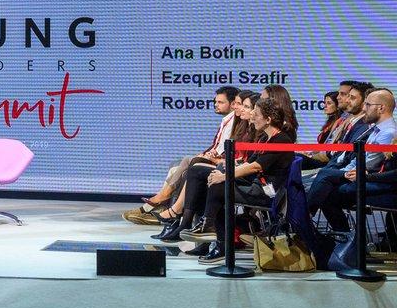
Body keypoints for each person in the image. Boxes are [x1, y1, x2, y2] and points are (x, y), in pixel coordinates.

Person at [185, 97, 296, 264]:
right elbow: (249, 163)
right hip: (255, 184)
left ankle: (212, 231)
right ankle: (201, 224)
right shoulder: (264, 138)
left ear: (268, 119)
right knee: (199, 171)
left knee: (220, 185)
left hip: (265, 193)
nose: (252, 116)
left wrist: (224, 175)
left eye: (256, 114)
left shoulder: (280, 140)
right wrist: (221, 170)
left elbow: (255, 167)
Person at [123, 85, 238, 226]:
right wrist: (207, 152)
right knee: (175, 167)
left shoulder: (236, 121)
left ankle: (167, 207)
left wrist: (213, 157)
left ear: (232, 104)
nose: (216, 105)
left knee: (189, 163)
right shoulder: (226, 120)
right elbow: (217, 145)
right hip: (217, 158)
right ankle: (161, 208)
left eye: (220, 102)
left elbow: (231, 148)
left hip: (223, 164)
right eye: (215, 101)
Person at [306, 86, 393, 224]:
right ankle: (340, 234)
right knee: (325, 181)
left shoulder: (387, 133)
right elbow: (361, 158)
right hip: (361, 173)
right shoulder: (376, 130)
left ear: (381, 108)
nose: (364, 109)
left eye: (368, 105)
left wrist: (347, 173)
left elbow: (370, 163)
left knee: (326, 183)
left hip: (372, 179)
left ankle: (305, 220)